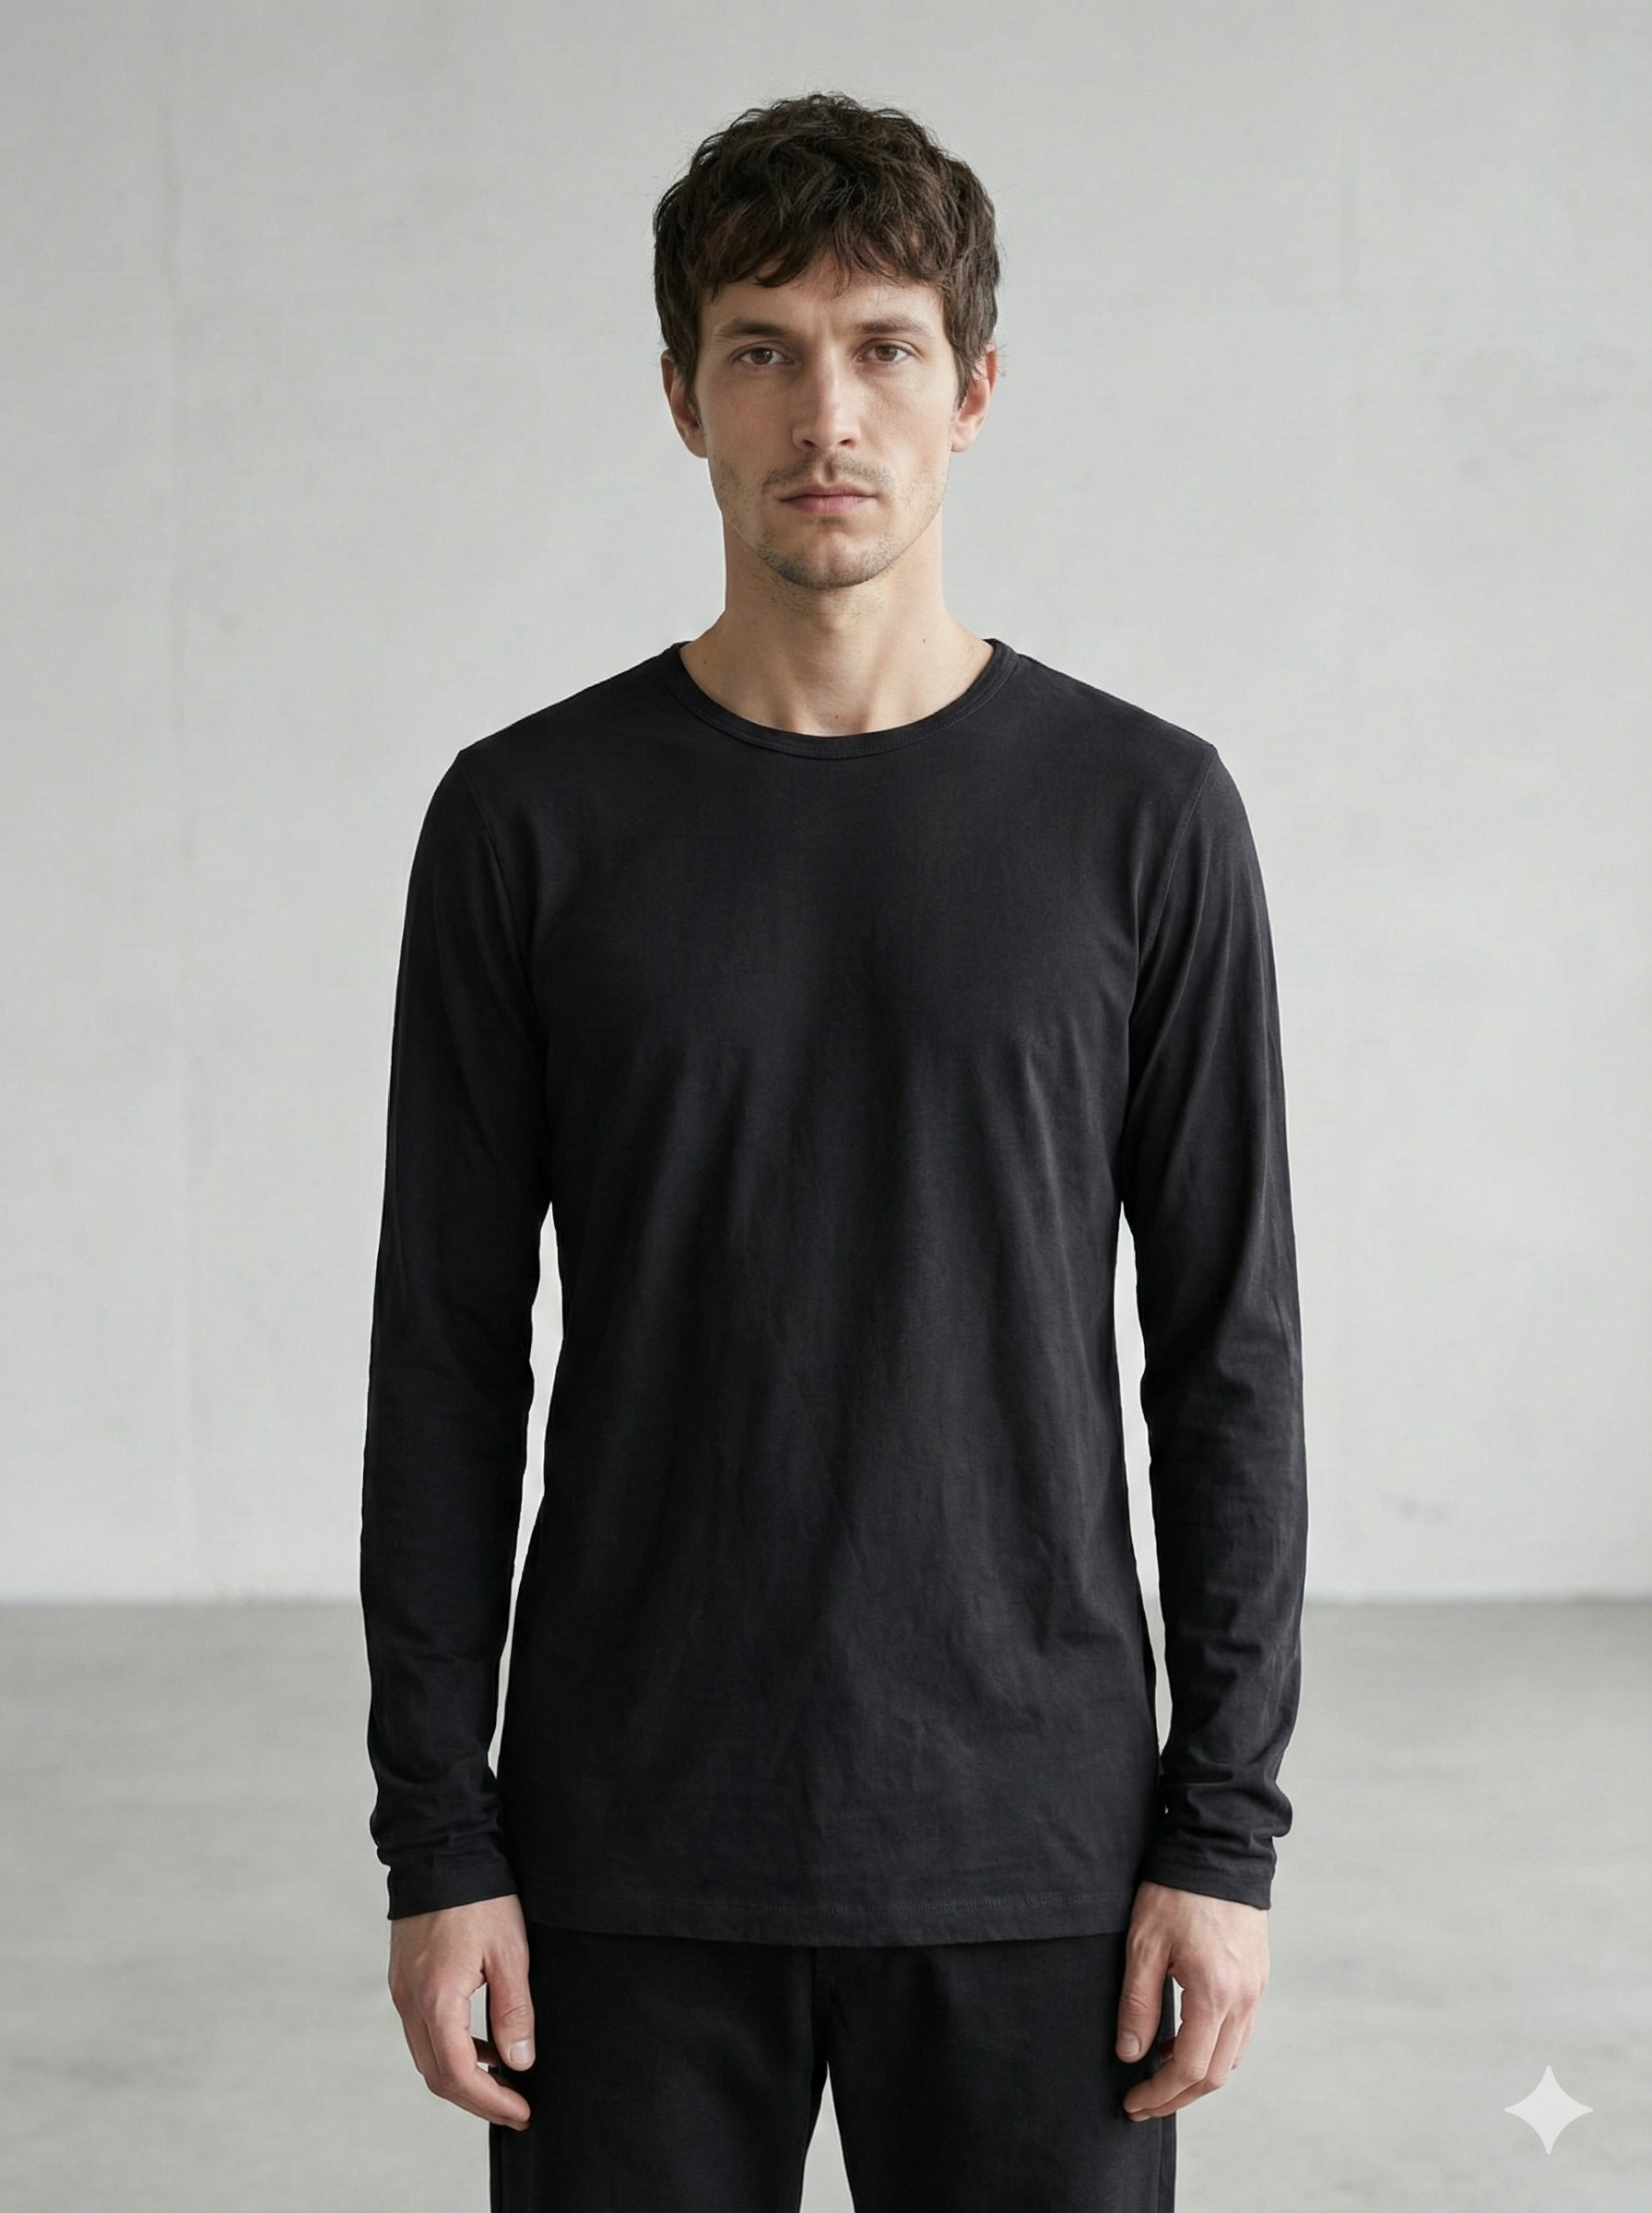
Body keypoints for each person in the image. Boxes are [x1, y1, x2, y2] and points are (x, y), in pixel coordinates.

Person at [360, 89, 1308, 2213]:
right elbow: (442, 1358)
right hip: (622, 1853)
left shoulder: (1143, 818)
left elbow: (1225, 1356)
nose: (825, 411)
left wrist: (1219, 1838)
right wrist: (439, 1840)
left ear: (972, 392)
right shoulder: (527, 823)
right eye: (760, 350)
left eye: (882, 346)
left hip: (1035, 1855)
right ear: (678, 397)